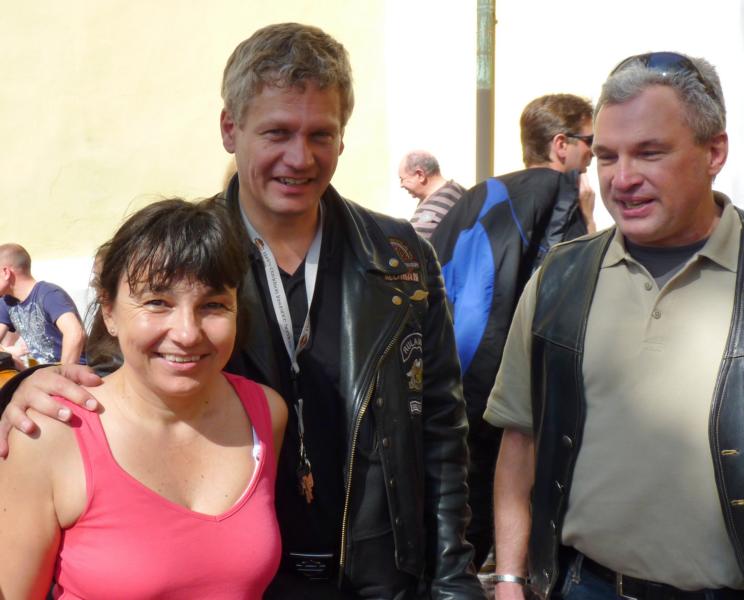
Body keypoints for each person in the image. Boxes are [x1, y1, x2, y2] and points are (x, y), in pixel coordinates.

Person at [0, 23, 484, 599]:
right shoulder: (183, 255)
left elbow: (441, 430)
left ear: (342, 139)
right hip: (248, 574)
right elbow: (122, 375)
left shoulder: (401, 255)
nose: (300, 158)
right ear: (230, 129)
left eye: (321, 134)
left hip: (380, 577)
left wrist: (454, 582)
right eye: (277, 132)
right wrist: (29, 387)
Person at [487, 52, 743, 599]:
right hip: (585, 585)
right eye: (605, 156)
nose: (622, 179)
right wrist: (509, 579)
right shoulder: (560, 278)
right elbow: (521, 441)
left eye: (650, 152)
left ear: (714, 152)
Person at [0, 198, 288, 599]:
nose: (187, 333)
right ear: (109, 311)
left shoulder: (266, 413)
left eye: (213, 305)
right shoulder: (48, 434)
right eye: (157, 303)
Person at [429, 93, 594, 569]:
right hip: (507, 393)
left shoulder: (480, 193)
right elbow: (572, 291)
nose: (594, 155)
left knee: (459, 514)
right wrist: (587, 221)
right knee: (502, 508)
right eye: (590, 141)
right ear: (561, 145)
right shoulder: (562, 192)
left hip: (452, 379)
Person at [0, 243, 86, 365]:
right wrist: (9, 352)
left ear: (6, 273)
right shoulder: (7, 302)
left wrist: (62, 373)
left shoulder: (49, 294)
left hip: (73, 370)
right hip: (39, 372)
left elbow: (75, 333)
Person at [399, 150, 467, 239]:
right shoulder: (458, 191)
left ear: (420, 175)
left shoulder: (430, 215)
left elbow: (414, 245)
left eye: (402, 179)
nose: (401, 185)